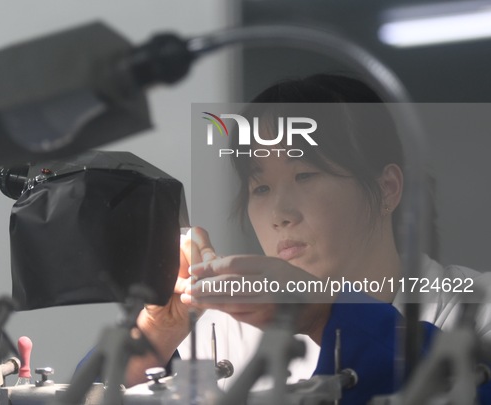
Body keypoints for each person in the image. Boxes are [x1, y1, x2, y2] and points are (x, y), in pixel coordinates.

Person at [82, 74, 491, 403]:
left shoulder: (477, 307)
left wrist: (323, 313)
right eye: (260, 189)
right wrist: (155, 337)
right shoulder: (220, 331)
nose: (280, 215)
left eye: (305, 176)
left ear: (386, 188)